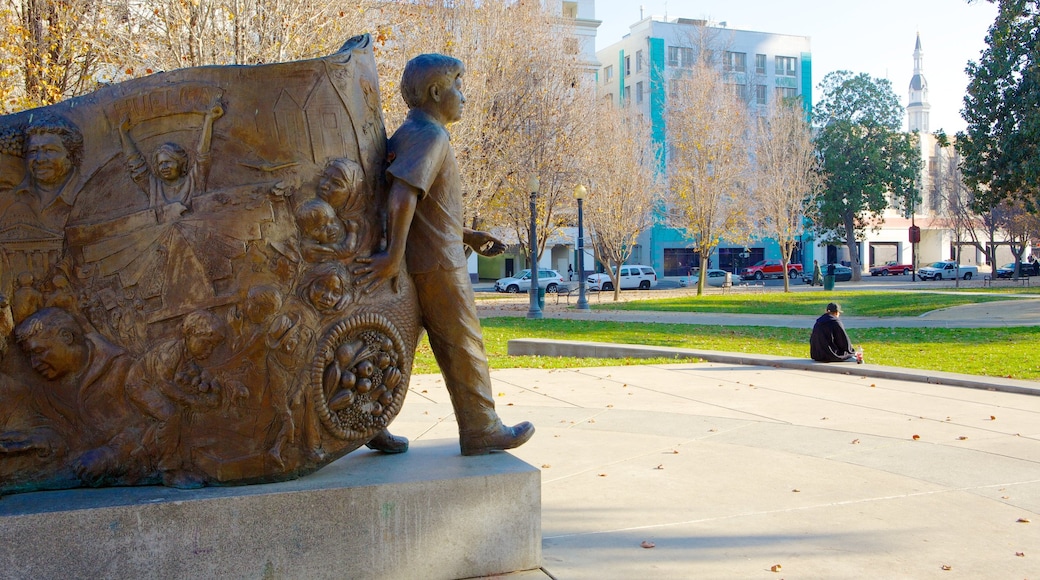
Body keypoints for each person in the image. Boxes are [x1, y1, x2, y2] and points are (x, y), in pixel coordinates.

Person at [355, 53, 533, 456]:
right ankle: (481, 428)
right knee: (464, 343)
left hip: (424, 257)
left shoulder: (407, 134)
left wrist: (467, 235)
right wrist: (391, 254)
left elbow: (423, 207)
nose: (464, 96)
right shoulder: (431, 135)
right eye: (457, 84)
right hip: (437, 265)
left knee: (395, 348)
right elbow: (403, 196)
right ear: (436, 92)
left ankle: (369, 419)